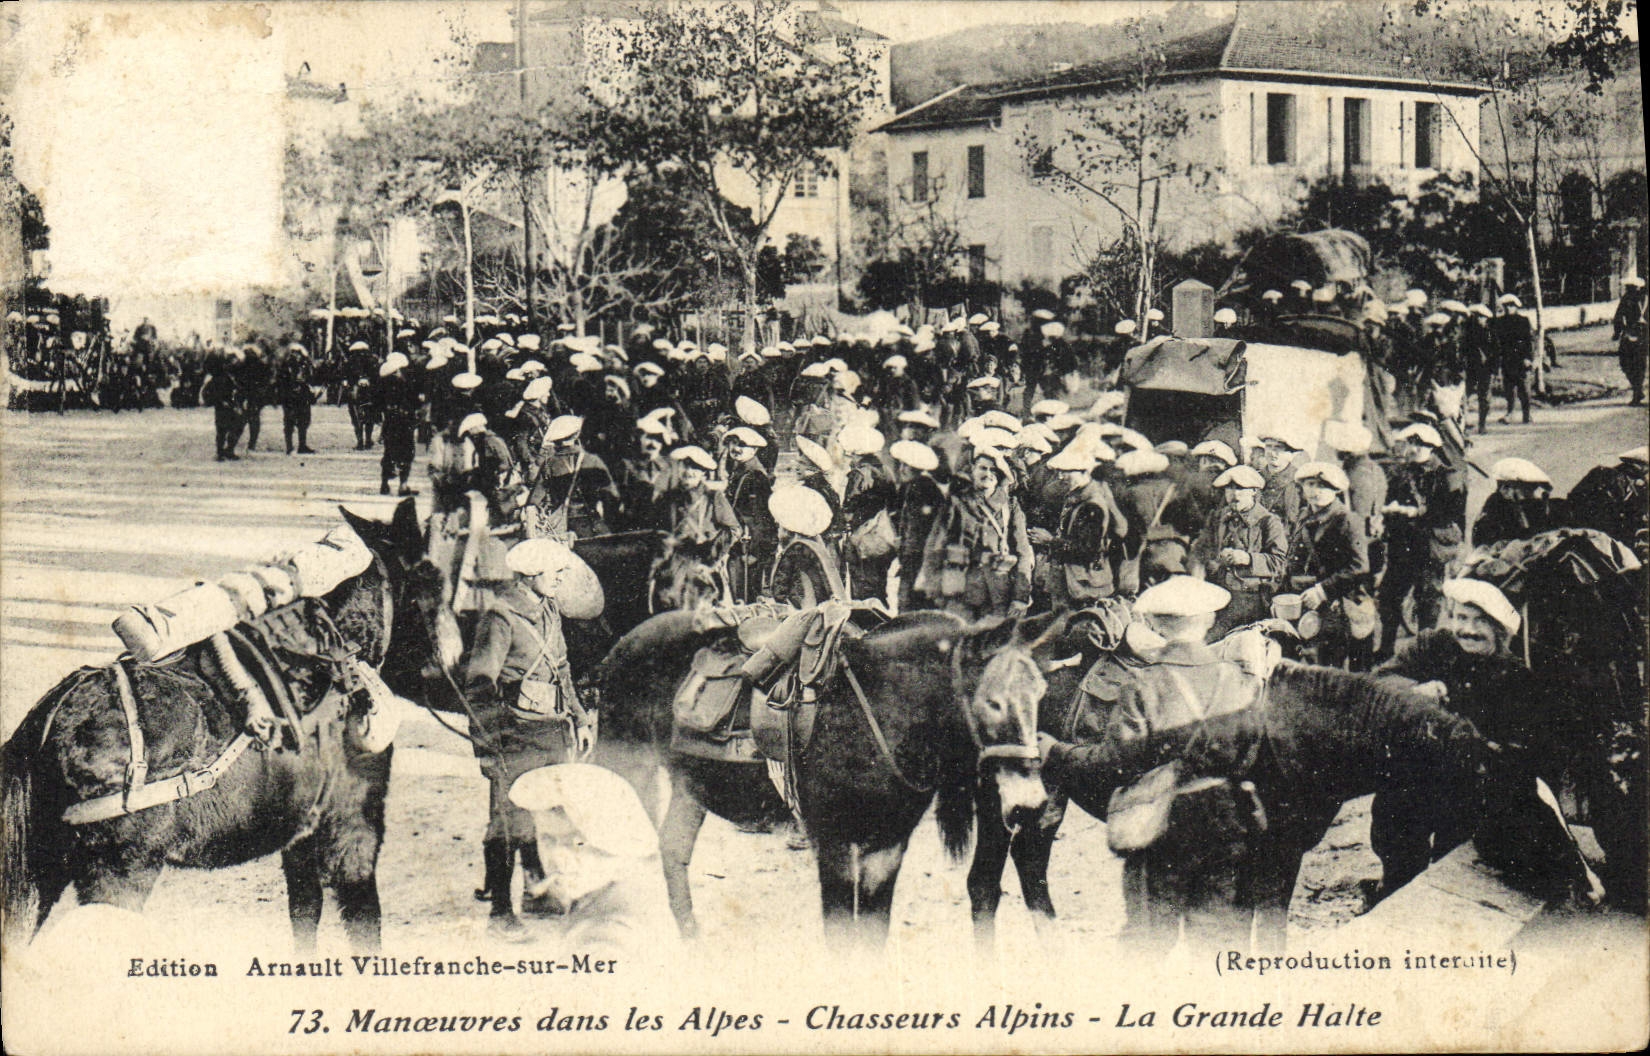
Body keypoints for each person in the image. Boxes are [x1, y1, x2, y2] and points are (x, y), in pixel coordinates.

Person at [1038, 576, 1266, 953]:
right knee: (1222, 944)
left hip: (1160, 825)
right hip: (1227, 823)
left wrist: (1057, 753)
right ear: (1210, 621)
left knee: (1147, 942)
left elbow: (1116, 763)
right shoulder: (1237, 680)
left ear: (1156, 626)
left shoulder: (1143, 685)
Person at [1368, 578, 1582, 903]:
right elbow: (1380, 680)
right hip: (1415, 777)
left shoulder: (1516, 674)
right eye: (1460, 618)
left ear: (1500, 629)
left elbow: (1529, 750)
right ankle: (1393, 890)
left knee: (1455, 866)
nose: (1466, 630)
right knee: (1397, 839)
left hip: (1472, 787)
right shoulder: (1432, 645)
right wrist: (1415, 692)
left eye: (1479, 621)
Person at [464, 538, 598, 940]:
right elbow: (479, 685)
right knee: (508, 821)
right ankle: (500, 914)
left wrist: (580, 719)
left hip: (553, 730)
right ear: (532, 573)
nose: (560, 578)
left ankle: (538, 893)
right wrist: (490, 745)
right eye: (555, 572)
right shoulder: (501, 617)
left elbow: (562, 669)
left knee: (555, 816)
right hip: (516, 734)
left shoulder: (548, 610)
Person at [507, 764, 679, 958]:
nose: (558, 858)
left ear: (617, 843)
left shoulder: (605, 942)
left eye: (578, 843)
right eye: (548, 840)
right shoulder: (599, 896)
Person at [1376, 422, 1466, 661]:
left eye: (1419, 444)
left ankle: (1424, 655)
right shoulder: (1401, 474)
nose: (1413, 449)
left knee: (1427, 602)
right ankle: (1385, 650)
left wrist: (1418, 513)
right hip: (1402, 546)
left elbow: (1451, 515)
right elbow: (1391, 501)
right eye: (1411, 443)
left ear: (1432, 447)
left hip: (1429, 548)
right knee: (1388, 597)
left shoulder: (1448, 476)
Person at [918, 448, 1034, 620]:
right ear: (973, 469)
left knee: (994, 642)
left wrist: (1020, 597)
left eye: (993, 470)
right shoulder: (957, 503)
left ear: (1001, 475)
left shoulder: (1010, 506)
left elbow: (1023, 553)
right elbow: (935, 548)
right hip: (960, 592)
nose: (988, 474)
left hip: (998, 594)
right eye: (983, 468)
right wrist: (935, 590)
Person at [1286, 461, 1373, 669]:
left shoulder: (1347, 520)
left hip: (1341, 601)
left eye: (1322, 486)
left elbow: (1359, 567)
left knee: (1339, 669)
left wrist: (1322, 590)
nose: (1315, 491)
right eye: (1310, 484)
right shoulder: (1304, 516)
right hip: (1310, 599)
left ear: (1335, 490)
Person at [1191, 464, 1288, 635]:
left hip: (1249, 597)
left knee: (1211, 637)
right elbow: (1201, 549)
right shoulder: (1218, 517)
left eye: (1241, 489)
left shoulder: (1268, 522)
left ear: (1254, 491)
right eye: (1230, 489)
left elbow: (1279, 562)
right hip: (1217, 592)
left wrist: (1248, 559)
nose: (1235, 494)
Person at [1035, 435, 1127, 609]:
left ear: (1084, 472)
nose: (1061, 477)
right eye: (1059, 472)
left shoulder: (1092, 505)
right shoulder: (1077, 497)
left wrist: (1049, 541)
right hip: (1072, 582)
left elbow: (1088, 550)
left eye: (1066, 472)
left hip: (1083, 585)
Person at [526, 415, 618, 542]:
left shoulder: (549, 463)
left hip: (564, 527)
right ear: (577, 435)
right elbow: (612, 497)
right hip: (592, 524)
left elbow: (533, 501)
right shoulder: (592, 460)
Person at [889, 440, 946, 613]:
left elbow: (919, 530)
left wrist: (906, 552)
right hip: (914, 558)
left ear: (916, 468)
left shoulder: (923, 489)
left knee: (910, 606)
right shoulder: (913, 487)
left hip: (918, 558)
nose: (901, 470)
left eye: (906, 466)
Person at [722, 426, 775, 603]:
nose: (735, 449)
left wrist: (754, 552)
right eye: (732, 443)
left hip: (749, 547)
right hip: (740, 544)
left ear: (754, 449)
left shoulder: (755, 477)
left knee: (746, 596)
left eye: (741, 445)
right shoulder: (740, 471)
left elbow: (761, 518)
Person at [1473, 458, 1557, 547]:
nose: (1531, 496)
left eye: (1532, 489)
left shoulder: (1534, 506)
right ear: (1505, 488)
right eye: (1526, 489)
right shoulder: (1495, 507)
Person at [377, 353, 421, 497]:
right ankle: (403, 485)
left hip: (389, 422)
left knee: (389, 451)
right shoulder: (406, 383)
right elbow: (415, 402)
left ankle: (384, 484)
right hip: (405, 422)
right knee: (407, 452)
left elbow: (378, 403)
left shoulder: (383, 384)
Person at [1490, 294, 1534, 424]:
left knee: (1524, 389)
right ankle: (1510, 413)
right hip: (1507, 359)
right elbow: (1496, 341)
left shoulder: (1524, 321)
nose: (1509, 308)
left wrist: (1528, 358)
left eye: (1511, 306)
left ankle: (1527, 413)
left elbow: (1529, 341)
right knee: (1509, 389)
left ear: (1516, 306)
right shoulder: (1500, 322)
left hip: (1521, 359)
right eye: (1506, 306)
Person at [201, 348, 244, 461]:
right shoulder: (219, 377)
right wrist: (219, 401)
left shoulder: (234, 376)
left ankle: (229, 449)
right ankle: (220, 452)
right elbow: (211, 391)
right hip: (222, 405)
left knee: (237, 427)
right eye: (232, 361)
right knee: (222, 429)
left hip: (232, 404)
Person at [276, 342, 317, 455]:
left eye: (298, 353)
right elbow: (281, 380)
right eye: (294, 353)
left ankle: (302, 445)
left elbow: (310, 377)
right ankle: (289, 447)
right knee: (289, 421)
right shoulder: (285, 365)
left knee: (304, 421)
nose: (296, 355)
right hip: (289, 396)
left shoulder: (304, 365)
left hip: (302, 396)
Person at [1614, 276, 1646, 406]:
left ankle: (1637, 391)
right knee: (1640, 364)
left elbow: (1618, 316)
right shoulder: (1646, 298)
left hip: (1631, 334)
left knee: (1626, 362)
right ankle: (1638, 391)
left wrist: (1617, 332)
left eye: (1628, 287)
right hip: (1645, 335)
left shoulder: (1627, 299)